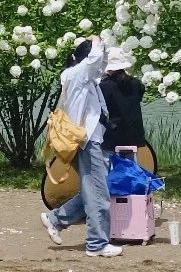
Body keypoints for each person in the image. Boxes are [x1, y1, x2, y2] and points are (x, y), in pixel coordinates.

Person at [40, 36, 123, 258]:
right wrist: (96, 40)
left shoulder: (85, 79)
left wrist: (102, 47)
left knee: (94, 191)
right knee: (98, 194)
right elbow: (95, 60)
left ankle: (55, 219)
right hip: (87, 143)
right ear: (85, 59)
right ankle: (96, 243)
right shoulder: (76, 75)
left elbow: (101, 64)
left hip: (91, 141)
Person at [98, 48, 146, 152]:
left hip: (113, 134)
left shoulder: (104, 86)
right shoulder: (137, 84)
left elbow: (100, 111)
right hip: (135, 133)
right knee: (130, 164)